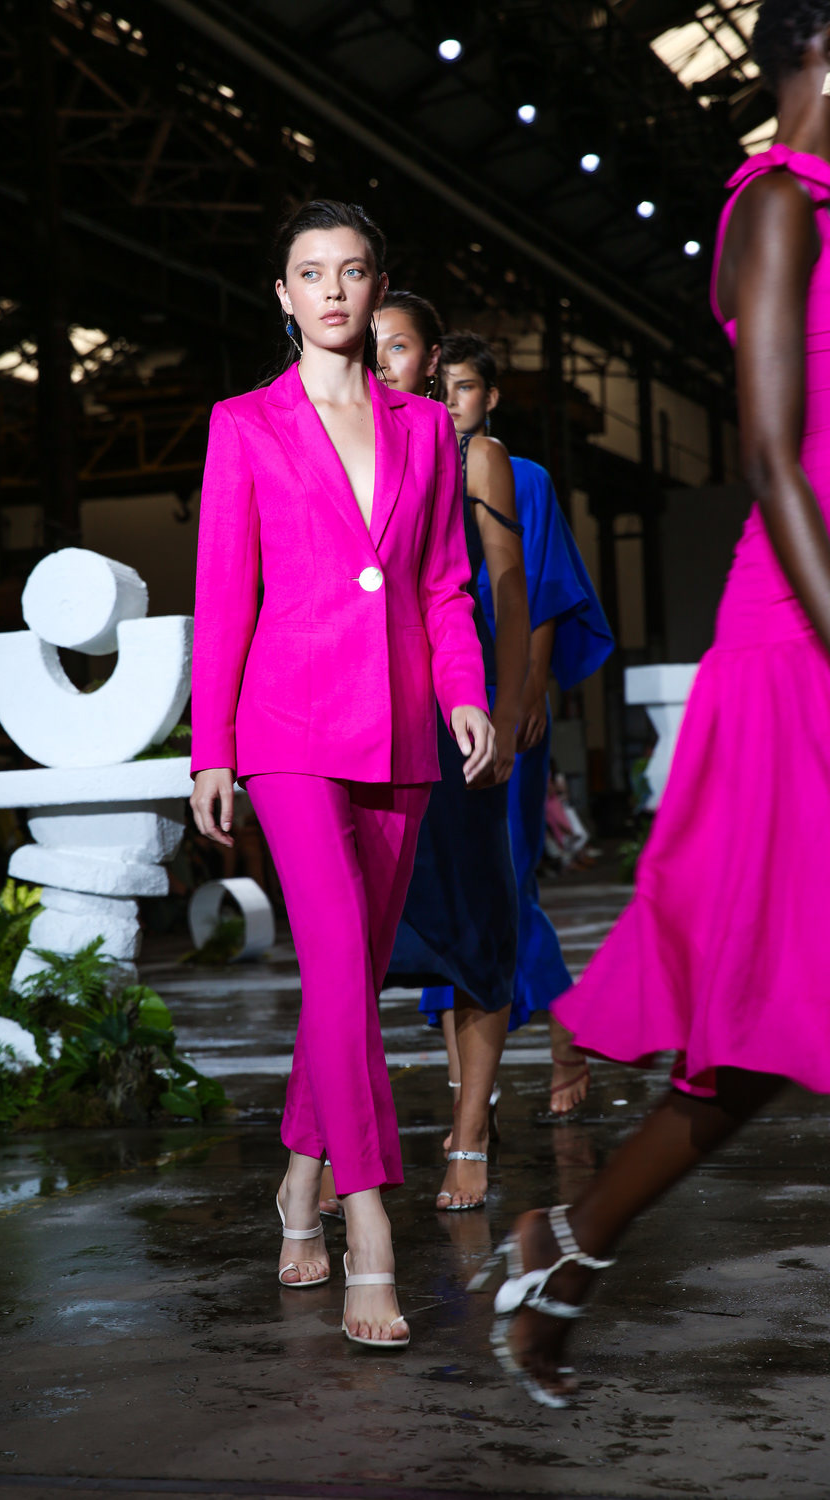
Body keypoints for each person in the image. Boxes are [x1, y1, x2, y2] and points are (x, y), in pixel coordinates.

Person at [488, 0, 830, 1408]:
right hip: (801, 636)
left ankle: (566, 1252)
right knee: (764, 1006)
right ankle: (566, 1250)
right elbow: (771, 457)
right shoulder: (779, 203)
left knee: (778, 1016)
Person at [189, 201, 495, 1347]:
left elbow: (442, 584)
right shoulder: (244, 424)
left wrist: (463, 691)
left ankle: (298, 1176)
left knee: (347, 983)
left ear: (376, 287)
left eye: (352, 271)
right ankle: (368, 1228)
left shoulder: (424, 427)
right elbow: (225, 594)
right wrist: (211, 748)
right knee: (331, 962)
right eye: (310, 273)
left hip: (401, 728)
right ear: (282, 294)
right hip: (285, 729)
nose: (331, 290)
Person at [426, 334, 615, 1118]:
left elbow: (532, 591)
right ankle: (470, 1094)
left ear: (491, 396)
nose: (451, 401)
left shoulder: (520, 476)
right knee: (441, 883)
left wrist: (529, 692)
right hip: (434, 699)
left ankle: (566, 1023)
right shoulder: (417, 466)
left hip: (504, 698)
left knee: (506, 875)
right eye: (441, 386)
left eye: (465, 387)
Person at [379, 291, 531, 1213]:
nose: (382, 359)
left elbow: (506, 584)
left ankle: (471, 1133)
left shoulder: (474, 453)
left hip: (456, 709)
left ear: (431, 360)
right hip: (367, 713)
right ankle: (340, 1141)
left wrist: (508, 709)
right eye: (374, 345)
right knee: (363, 940)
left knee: (475, 923)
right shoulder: (345, 443)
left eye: (399, 345)